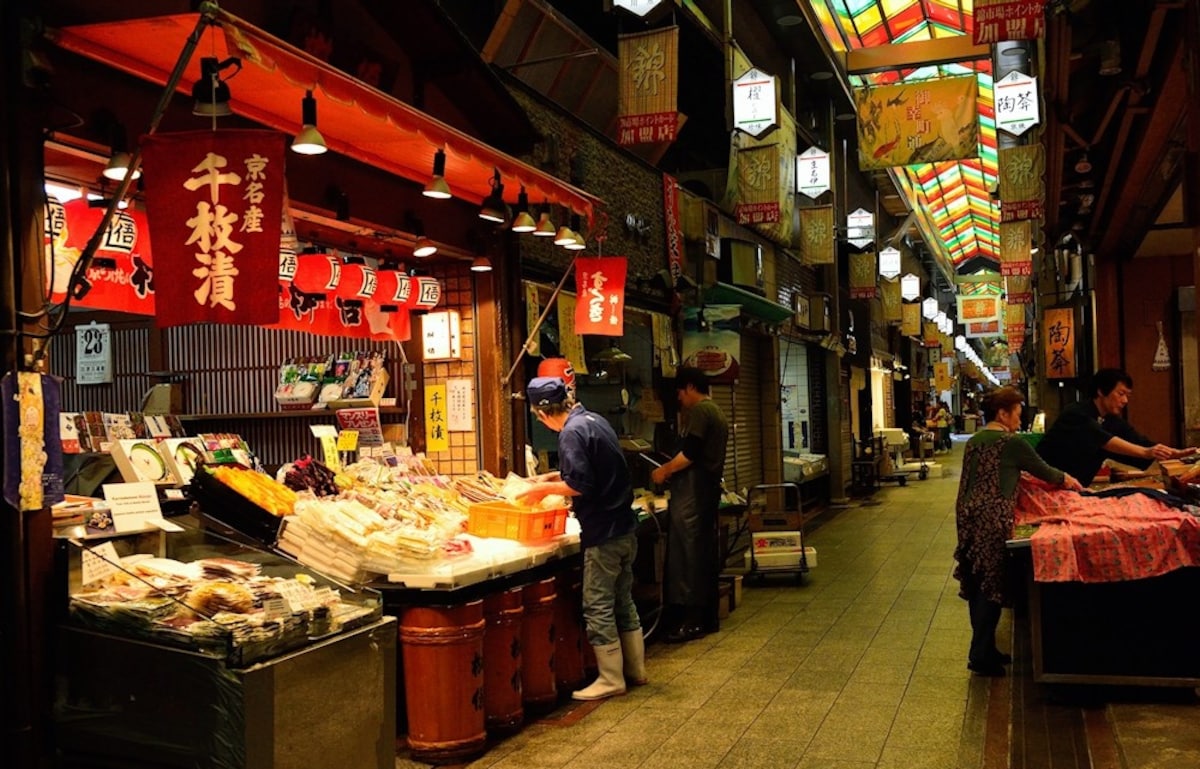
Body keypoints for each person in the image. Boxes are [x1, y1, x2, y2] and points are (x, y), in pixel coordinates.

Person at [517, 376, 645, 700]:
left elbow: (581, 485)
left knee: (598, 605)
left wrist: (540, 489)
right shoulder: (593, 420)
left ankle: (611, 679)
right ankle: (636, 671)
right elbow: (590, 471)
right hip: (625, 528)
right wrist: (551, 477)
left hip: (603, 532)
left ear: (542, 414)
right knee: (622, 601)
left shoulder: (570, 433)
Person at [954, 386, 1083, 676]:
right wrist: (1070, 481)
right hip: (993, 517)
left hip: (966, 515)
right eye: (1016, 413)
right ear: (1002, 413)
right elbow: (1044, 470)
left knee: (977, 578)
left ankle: (986, 647)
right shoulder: (1010, 442)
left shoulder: (975, 441)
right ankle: (979, 654)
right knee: (992, 582)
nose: (1018, 419)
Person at [650, 366, 728, 643]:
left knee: (688, 555)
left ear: (691, 387)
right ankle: (705, 618)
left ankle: (691, 621)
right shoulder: (716, 411)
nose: (680, 399)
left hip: (693, 495)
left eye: (681, 392)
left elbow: (690, 454)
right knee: (701, 553)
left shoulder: (701, 412)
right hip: (704, 493)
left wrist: (665, 470)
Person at [1036, 368, 1196, 487]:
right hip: (1044, 484)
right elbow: (1103, 439)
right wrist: (1146, 452)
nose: (1125, 400)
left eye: (1128, 395)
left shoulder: (1110, 420)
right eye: (1121, 394)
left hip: (1073, 489)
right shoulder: (1075, 413)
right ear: (1101, 391)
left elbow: (1138, 441)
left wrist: (1172, 454)